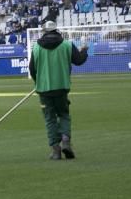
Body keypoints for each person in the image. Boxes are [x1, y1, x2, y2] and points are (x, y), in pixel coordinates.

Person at [28, 21, 88, 160]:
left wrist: (38, 82)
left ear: (44, 31)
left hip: (44, 90)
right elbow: (78, 61)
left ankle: (56, 150)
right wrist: (84, 50)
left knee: (50, 119)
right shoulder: (66, 44)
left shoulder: (37, 47)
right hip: (62, 87)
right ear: (56, 30)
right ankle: (66, 140)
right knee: (64, 114)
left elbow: (32, 69)